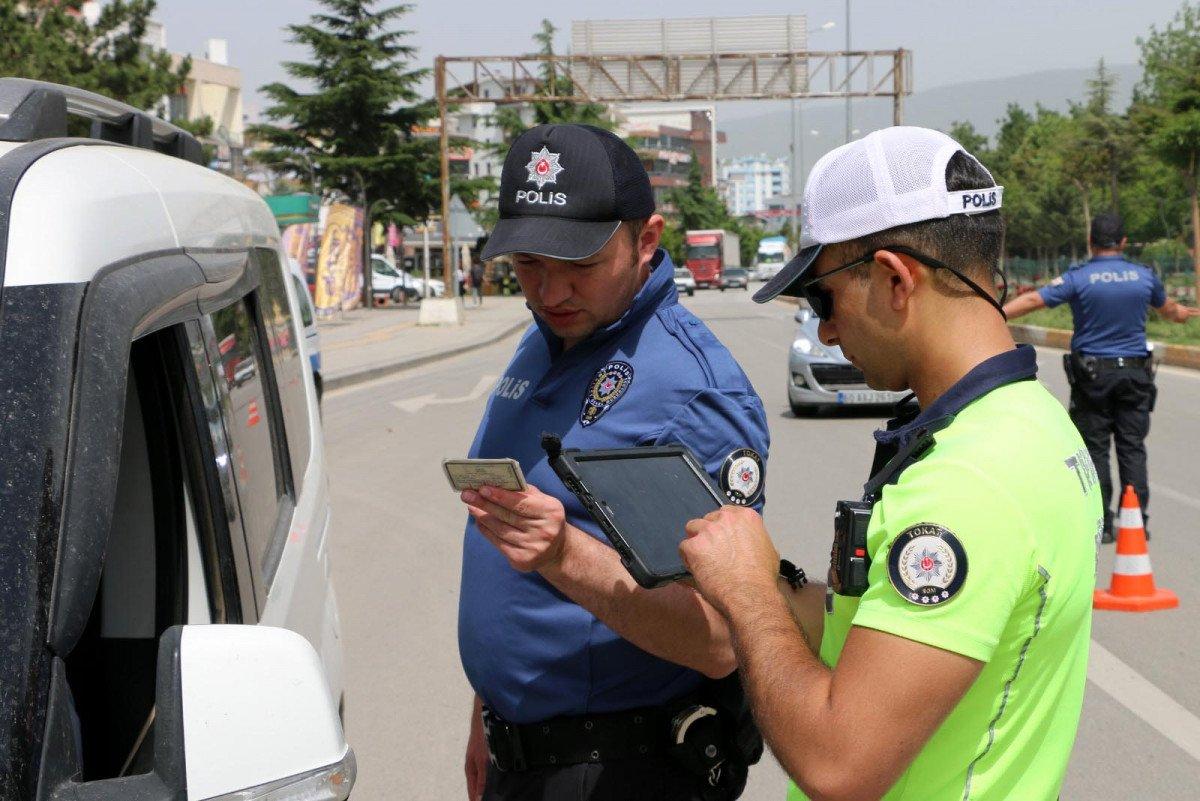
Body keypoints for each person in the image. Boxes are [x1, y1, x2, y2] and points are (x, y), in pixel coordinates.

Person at [679, 127, 1100, 801]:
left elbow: (839, 764)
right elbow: (882, 639)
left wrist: (748, 595)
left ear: (894, 279)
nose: (826, 330)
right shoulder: (1031, 420)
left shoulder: (968, 483)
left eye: (824, 298)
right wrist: (768, 582)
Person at [456, 123, 770, 801]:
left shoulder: (691, 389)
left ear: (646, 240)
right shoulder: (545, 344)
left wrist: (563, 551)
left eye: (581, 264)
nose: (551, 290)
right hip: (521, 753)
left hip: (619, 771)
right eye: (530, 265)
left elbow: (722, 635)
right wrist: (488, 710)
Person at [1004, 213, 1200, 541]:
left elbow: (1035, 299)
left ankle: (1104, 525)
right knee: (1132, 447)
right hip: (1135, 375)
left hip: (1093, 378)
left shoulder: (1079, 277)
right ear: (1123, 242)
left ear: (1090, 242)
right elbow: (1170, 310)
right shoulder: (1143, 276)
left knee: (1095, 449)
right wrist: (1181, 314)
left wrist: (997, 313)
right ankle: (1136, 521)